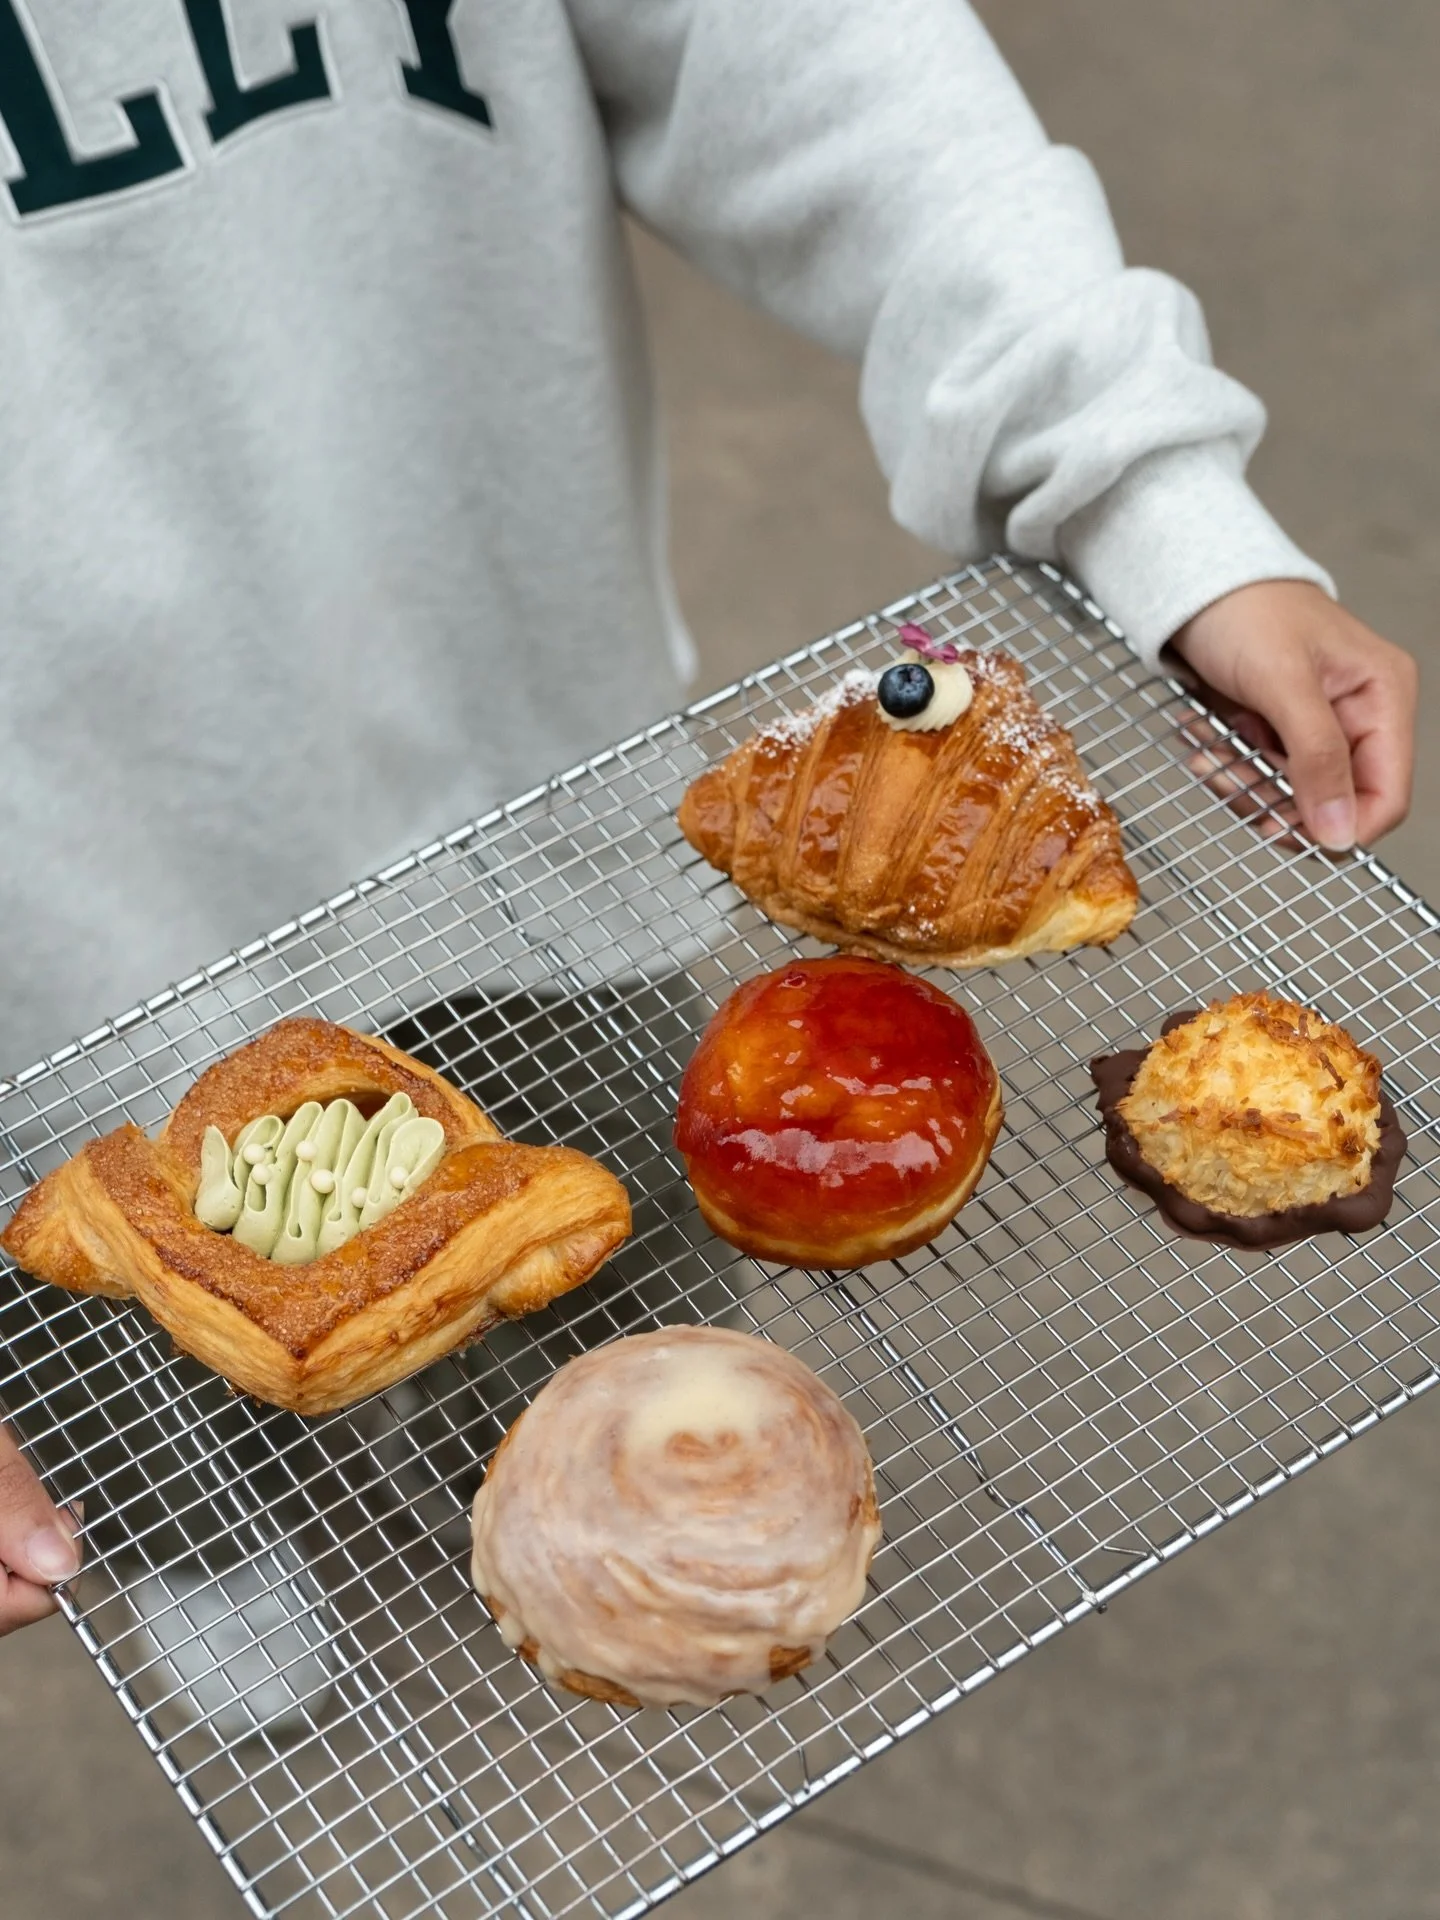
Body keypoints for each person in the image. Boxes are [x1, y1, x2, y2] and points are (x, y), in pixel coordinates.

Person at [0, 0, 1416, 1636]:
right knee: (144, 1403)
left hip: (536, 815)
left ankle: (612, 1521)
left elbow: (811, 56)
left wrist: (1144, 484)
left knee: (611, 1271)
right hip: (59, 973)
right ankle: (226, 1591)